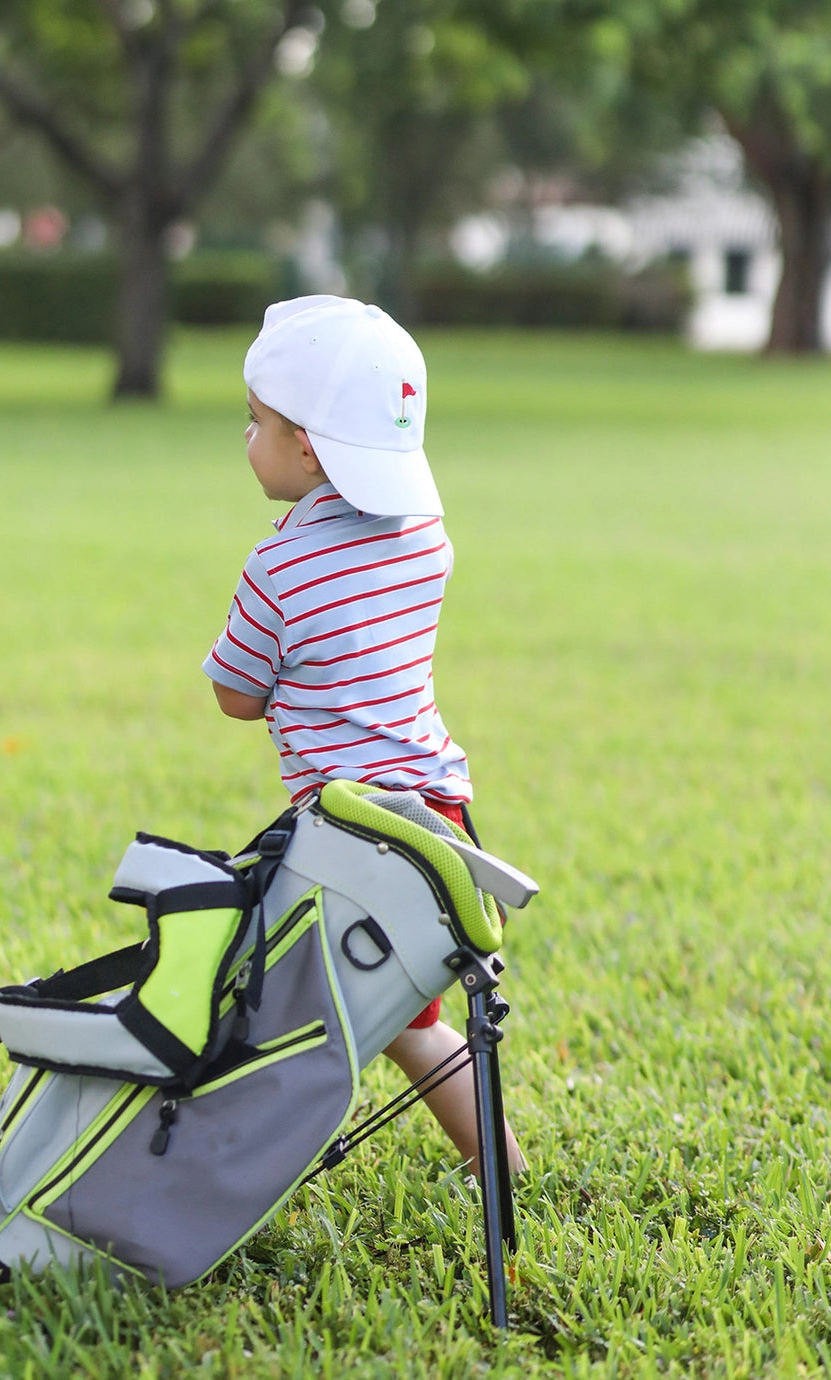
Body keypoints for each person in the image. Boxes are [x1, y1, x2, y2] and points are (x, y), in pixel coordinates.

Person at [203, 294, 523, 1178]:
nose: (247, 437)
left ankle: (216, 1167)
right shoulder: (427, 536)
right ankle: (492, 1160)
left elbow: (235, 694)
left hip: (350, 833)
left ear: (307, 444)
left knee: (285, 1009)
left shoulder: (280, 566)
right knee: (406, 1019)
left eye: (256, 421)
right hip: (438, 812)